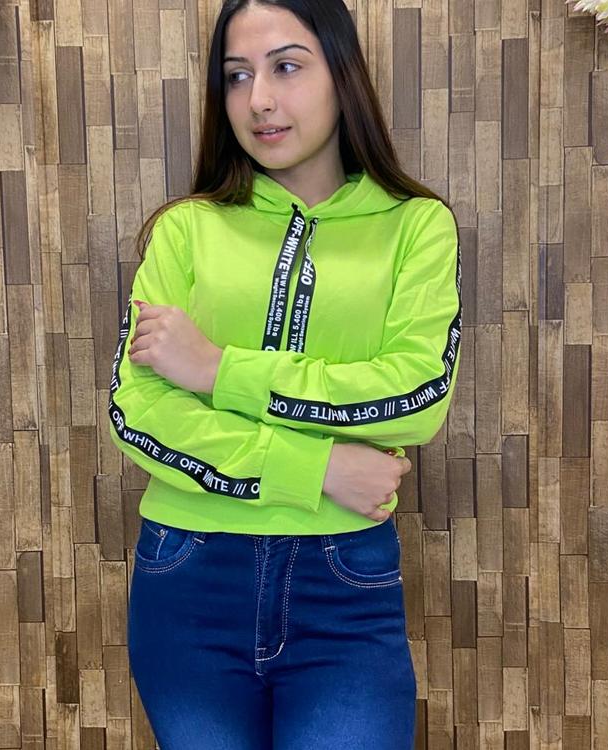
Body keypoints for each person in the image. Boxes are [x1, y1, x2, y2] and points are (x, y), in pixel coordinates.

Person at [107, 0, 462, 747]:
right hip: (188, 579)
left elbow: (413, 394)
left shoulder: (415, 226)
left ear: (342, 74)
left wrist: (216, 369)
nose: (259, 100)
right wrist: (318, 468)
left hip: (345, 587)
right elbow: (138, 411)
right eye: (237, 76)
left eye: (287, 67)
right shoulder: (185, 230)